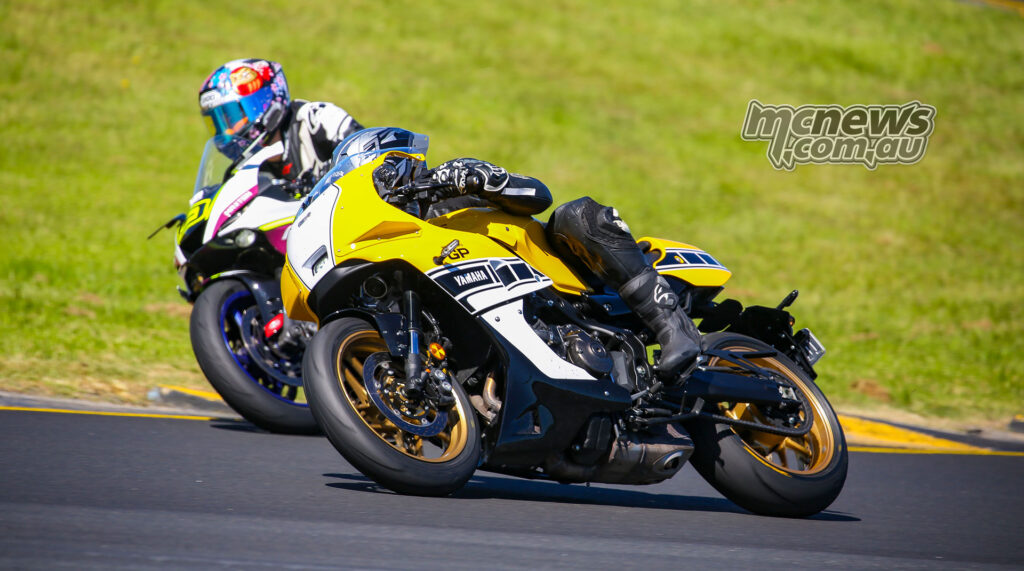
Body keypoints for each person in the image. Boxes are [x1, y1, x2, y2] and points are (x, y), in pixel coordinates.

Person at [334, 127, 701, 380]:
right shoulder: (397, 244)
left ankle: (671, 324)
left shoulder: (449, 192)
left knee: (575, 215)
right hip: (494, 315)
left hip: (561, 282)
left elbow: (539, 195)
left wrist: (480, 178)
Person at [197, 58, 364, 187]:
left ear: (263, 100)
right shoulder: (243, 169)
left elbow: (368, 154)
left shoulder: (317, 118)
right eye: (218, 124)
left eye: (233, 119)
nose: (228, 132)